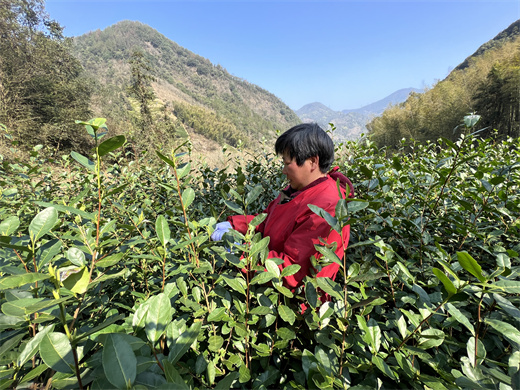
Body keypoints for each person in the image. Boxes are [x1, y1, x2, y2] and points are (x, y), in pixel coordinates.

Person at [211, 123, 354, 292]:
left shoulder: (327, 208)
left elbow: (291, 272)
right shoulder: (297, 190)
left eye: (287, 163)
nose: (284, 171)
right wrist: (236, 226)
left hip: (295, 305)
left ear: (313, 161)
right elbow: (267, 221)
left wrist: (242, 253)